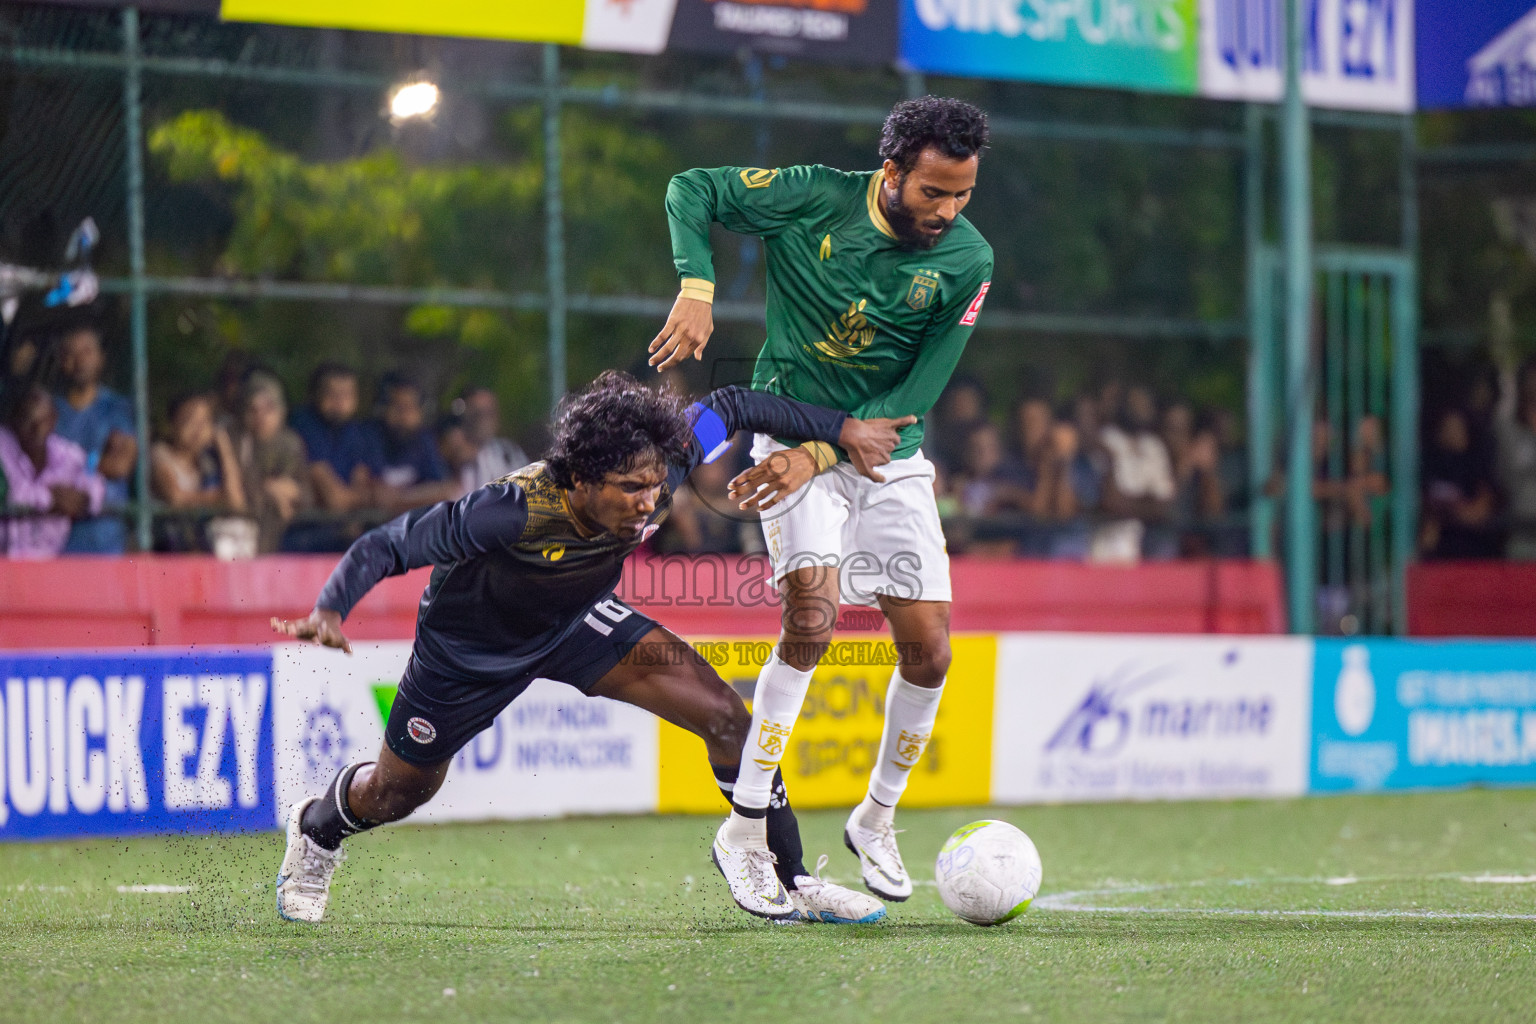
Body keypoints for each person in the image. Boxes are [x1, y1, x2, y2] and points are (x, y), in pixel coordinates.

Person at [270, 371, 912, 925]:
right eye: (631, 488)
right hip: (470, 651)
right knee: (396, 793)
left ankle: (793, 879)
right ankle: (318, 830)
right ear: (580, 478)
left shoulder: (666, 458)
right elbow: (390, 543)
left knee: (726, 718)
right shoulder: (512, 510)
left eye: (657, 485)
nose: (649, 503)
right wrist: (331, 607)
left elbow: (737, 403)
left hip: (578, 621)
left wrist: (842, 428)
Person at [648, 95, 994, 903]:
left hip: (889, 455)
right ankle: (743, 828)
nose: (947, 211)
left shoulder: (968, 261)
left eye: (963, 195)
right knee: (813, 616)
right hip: (790, 433)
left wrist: (826, 451)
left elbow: (921, 390)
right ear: (892, 172)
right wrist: (697, 281)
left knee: (932, 651)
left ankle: (875, 818)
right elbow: (689, 188)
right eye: (933, 192)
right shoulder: (812, 195)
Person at [53, 321, 136, 553]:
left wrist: (65, 462)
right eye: (70, 353)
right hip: (57, 546)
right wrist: (97, 460)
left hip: (106, 543)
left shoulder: (117, 409)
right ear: (61, 361)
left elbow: (120, 465)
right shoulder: (47, 413)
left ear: (101, 358)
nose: (79, 360)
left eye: (87, 351)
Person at [0, 384, 104, 558]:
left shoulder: (64, 451)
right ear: (15, 420)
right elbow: (11, 496)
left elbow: (95, 482)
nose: (36, 429)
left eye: (43, 421)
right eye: (28, 420)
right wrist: (50, 498)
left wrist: (84, 498)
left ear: (53, 421)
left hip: (48, 562)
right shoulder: (3, 444)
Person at [289, 364, 383, 550]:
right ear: (315, 395)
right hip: (302, 534)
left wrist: (363, 498)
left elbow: (365, 484)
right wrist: (365, 498)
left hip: (345, 534)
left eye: (347, 394)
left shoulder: (356, 431)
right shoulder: (304, 424)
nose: (340, 402)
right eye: (332, 394)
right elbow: (335, 499)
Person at [150, 393, 246, 551]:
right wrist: (220, 498)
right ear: (172, 423)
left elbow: (236, 501)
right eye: (189, 420)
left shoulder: (207, 462)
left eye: (204, 422)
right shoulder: (159, 454)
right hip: (165, 546)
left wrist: (224, 447)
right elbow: (176, 497)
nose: (198, 429)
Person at [236, 371, 311, 554]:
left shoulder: (290, 444)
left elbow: (306, 495)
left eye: (269, 409)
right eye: (253, 410)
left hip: (287, 539)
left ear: (281, 410)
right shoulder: (236, 442)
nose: (260, 417)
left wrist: (286, 491)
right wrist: (270, 489)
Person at [370, 373, 457, 513]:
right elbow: (369, 493)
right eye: (398, 407)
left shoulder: (424, 441)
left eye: (410, 407)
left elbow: (443, 490)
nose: (404, 415)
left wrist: (399, 499)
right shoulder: (369, 437)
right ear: (382, 408)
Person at [455, 385, 528, 490]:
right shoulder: (453, 451)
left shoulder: (509, 450)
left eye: (490, 413)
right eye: (478, 414)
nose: (485, 421)